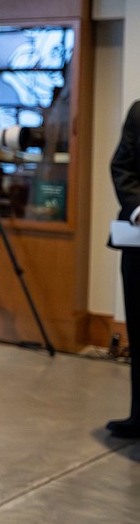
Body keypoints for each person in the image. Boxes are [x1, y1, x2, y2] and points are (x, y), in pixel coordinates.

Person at [108, 99, 140, 438]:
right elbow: (122, 166)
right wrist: (138, 209)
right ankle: (139, 416)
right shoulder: (139, 111)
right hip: (137, 241)